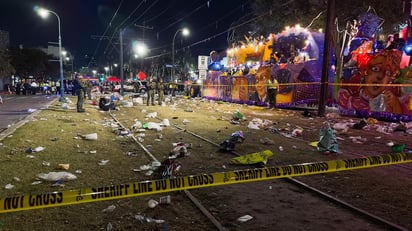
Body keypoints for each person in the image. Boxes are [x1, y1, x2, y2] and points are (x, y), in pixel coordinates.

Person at [337, 49, 403, 114]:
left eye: (388, 73)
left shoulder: (391, 105)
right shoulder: (347, 100)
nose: (380, 76)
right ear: (365, 70)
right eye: (375, 69)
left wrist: (395, 106)